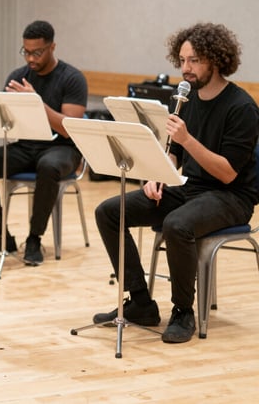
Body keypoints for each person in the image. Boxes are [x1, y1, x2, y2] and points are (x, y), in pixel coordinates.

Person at [92, 22, 259, 343]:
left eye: (194, 60)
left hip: (230, 197)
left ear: (216, 60)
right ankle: (140, 301)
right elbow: (174, 153)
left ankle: (183, 311)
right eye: (182, 60)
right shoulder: (184, 99)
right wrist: (158, 174)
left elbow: (227, 173)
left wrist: (187, 139)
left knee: (176, 224)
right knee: (110, 212)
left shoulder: (242, 107)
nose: (186, 68)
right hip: (189, 187)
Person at [0, 20, 87, 265]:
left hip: (63, 148)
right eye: (26, 51)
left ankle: (34, 238)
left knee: (49, 166)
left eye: (37, 52)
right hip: (26, 146)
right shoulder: (18, 77)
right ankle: (2, 236)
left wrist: (36, 102)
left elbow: (69, 130)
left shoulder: (72, 78)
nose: (31, 58)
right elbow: (9, 120)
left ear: (52, 47)